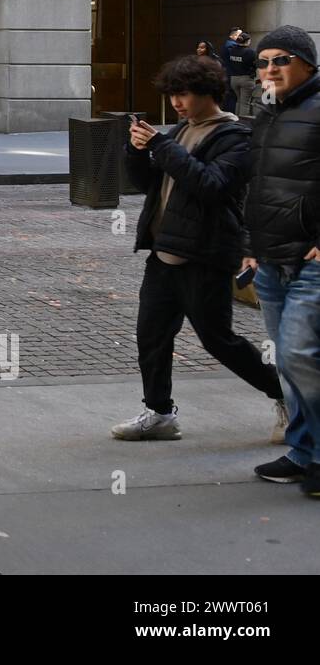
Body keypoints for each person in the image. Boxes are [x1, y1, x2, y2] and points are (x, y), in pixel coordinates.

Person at [112, 55, 285, 442]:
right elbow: (150, 185)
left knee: (219, 340)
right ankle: (159, 413)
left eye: (184, 94)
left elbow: (210, 185)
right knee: (151, 334)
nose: (176, 102)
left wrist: (160, 145)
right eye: (172, 94)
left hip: (206, 255)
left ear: (209, 92)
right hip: (164, 251)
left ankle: (285, 396)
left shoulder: (237, 137)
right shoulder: (178, 132)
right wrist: (138, 151)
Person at [239, 27, 320, 495]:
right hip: (271, 258)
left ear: (308, 63)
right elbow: (257, 187)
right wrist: (250, 242)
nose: (270, 69)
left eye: (281, 59)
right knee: (290, 364)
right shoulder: (266, 115)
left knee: (299, 355)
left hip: (311, 260)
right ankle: (304, 452)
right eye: (263, 62)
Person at [222, 28, 256, 114]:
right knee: (245, 103)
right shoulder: (250, 52)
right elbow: (256, 64)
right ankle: (243, 122)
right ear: (247, 41)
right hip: (246, 79)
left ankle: (237, 120)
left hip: (234, 79)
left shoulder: (232, 50)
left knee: (238, 101)